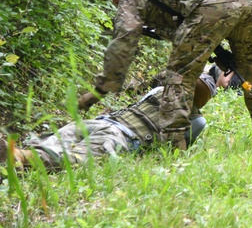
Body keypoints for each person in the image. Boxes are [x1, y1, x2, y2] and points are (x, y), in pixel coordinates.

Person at [84, 0, 252, 150]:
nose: (114, 2)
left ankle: (174, 147)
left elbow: (121, 48)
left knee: (179, 76)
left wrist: (96, 93)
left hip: (212, 1)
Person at [2, 72, 220, 175]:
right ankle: (20, 158)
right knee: (76, 158)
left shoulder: (159, 91)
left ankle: (18, 154)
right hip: (120, 136)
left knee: (57, 141)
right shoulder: (197, 120)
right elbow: (176, 148)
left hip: (100, 122)